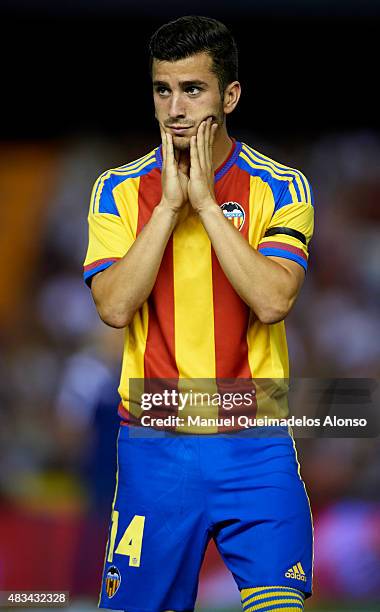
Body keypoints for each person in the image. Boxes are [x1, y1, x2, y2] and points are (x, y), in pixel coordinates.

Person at [83, 15, 314, 612]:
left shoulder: (279, 187)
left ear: (229, 95)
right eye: (164, 89)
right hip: (154, 449)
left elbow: (272, 299)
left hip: (256, 446)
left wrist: (207, 204)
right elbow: (112, 306)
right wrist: (166, 209)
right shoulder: (117, 191)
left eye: (194, 89)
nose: (176, 108)